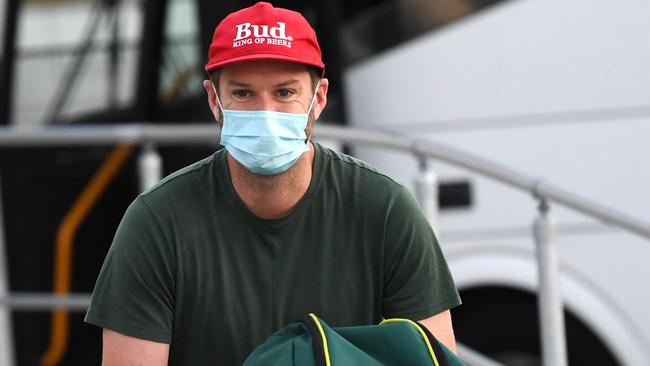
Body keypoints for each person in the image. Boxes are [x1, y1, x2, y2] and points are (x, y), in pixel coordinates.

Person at [85, 2, 462, 365]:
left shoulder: (386, 211)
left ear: (319, 99)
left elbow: (433, 357)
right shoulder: (157, 223)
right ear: (214, 101)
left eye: (285, 92)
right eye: (243, 93)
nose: (265, 112)